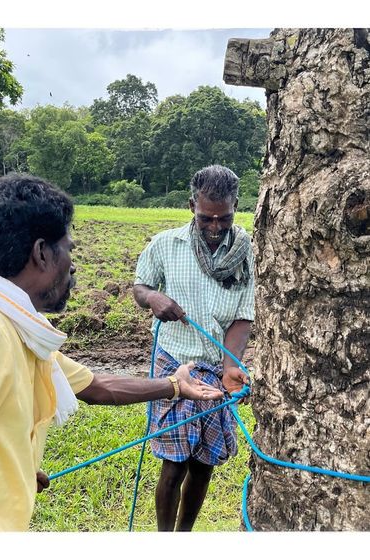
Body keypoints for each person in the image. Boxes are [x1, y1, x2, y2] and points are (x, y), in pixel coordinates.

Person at [0, 173, 224, 532]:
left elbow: (97, 386)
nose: (73, 265)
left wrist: (174, 385)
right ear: (42, 253)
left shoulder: (19, 330)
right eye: (69, 249)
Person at [133, 164, 254, 531]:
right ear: (192, 206)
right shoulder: (165, 245)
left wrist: (230, 365)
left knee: (204, 463)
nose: (215, 228)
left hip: (217, 368)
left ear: (235, 206)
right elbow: (139, 288)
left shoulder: (246, 251)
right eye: (206, 219)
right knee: (174, 463)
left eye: (224, 218)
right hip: (174, 363)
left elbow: (242, 317)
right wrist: (153, 297)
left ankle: (185, 537)